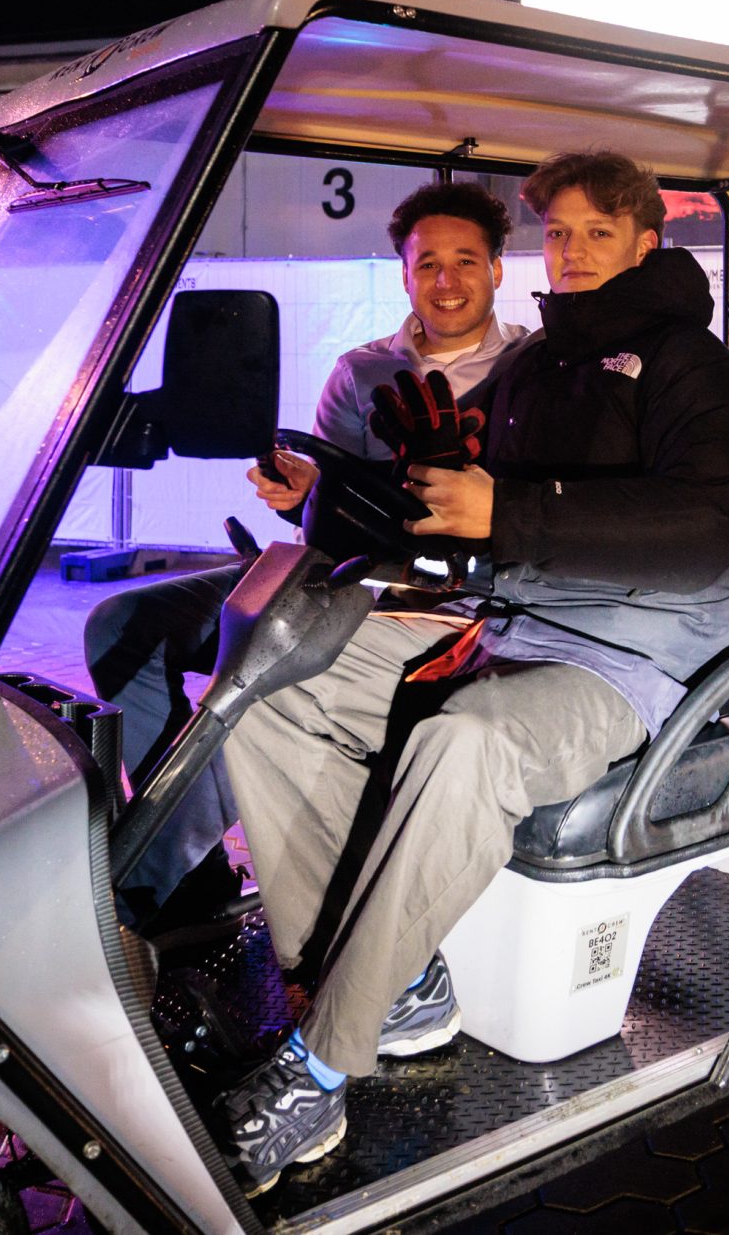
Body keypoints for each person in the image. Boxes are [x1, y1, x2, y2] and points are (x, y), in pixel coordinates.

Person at [213, 149, 729, 1195]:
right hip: (506, 620)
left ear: (646, 242)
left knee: (461, 741)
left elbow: (708, 523)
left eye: (598, 232)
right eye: (560, 233)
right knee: (267, 683)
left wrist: (508, 510)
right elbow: (457, 507)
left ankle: (321, 1065)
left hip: (629, 656)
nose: (574, 251)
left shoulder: (687, 363)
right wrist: (383, 486)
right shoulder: (538, 365)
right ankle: (394, 979)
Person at [84, 180, 534, 920]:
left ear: (496, 270)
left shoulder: (534, 367)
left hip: (447, 593)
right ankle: (192, 872)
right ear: (405, 275)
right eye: (427, 264)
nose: (446, 281)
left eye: (465, 261)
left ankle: (145, 885)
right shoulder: (362, 371)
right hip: (341, 571)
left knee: (269, 660)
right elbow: (329, 505)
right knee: (119, 624)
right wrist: (303, 494)